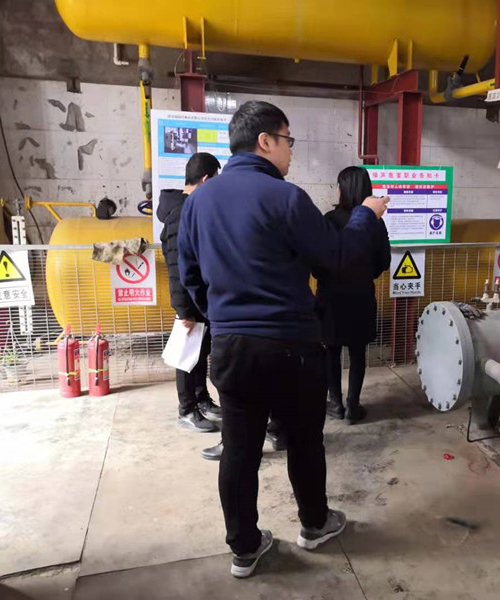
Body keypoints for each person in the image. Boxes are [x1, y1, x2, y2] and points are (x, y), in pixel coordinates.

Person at [178, 100, 389, 579]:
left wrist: (225, 318)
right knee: (303, 441)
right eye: (288, 140)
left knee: (239, 449)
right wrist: (365, 214)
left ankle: (244, 548)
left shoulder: (198, 204)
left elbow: (190, 277)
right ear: (265, 141)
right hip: (292, 345)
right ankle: (315, 524)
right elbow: (339, 258)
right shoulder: (286, 198)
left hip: (232, 347)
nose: (291, 150)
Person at [316, 167, 390, 424]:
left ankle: (335, 404)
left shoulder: (328, 219)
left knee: (331, 351)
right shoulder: (375, 223)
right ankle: (353, 407)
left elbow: (319, 261)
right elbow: (384, 261)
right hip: (361, 296)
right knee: (358, 353)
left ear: (341, 189)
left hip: (331, 298)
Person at [157, 152, 222, 435]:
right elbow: (176, 265)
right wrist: (183, 309)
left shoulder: (193, 209)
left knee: (200, 352)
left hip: (202, 298)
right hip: (190, 301)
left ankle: (201, 398)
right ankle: (186, 410)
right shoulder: (181, 214)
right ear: (205, 179)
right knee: (187, 357)